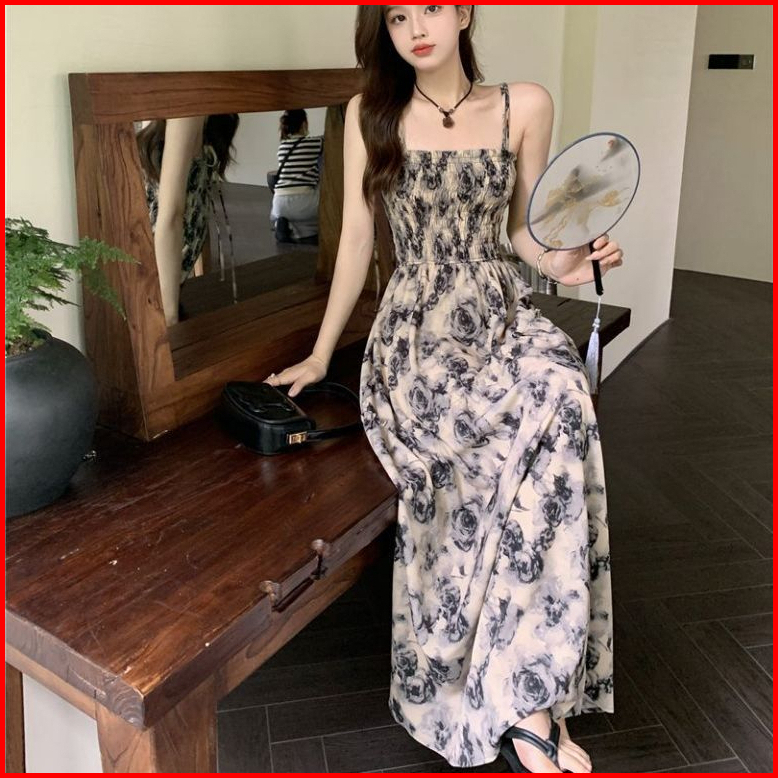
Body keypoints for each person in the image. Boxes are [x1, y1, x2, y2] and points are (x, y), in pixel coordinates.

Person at [266, 5, 625, 772]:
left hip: (500, 313)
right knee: (484, 455)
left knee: (564, 397)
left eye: (431, 7)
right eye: (397, 16)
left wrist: (569, 262)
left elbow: (527, 234)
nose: (415, 29)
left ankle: (531, 690)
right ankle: (524, 707)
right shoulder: (371, 113)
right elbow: (357, 242)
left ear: (464, 11)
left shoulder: (525, 105)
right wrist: (321, 355)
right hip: (417, 333)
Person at [137, 114, 239, 325]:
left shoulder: (200, 117)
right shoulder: (187, 116)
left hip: (160, 276)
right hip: (152, 281)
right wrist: (169, 317)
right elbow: (170, 216)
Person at [269, 109, 324, 244]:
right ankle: (308, 230)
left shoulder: (282, 147)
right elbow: (331, 137)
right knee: (321, 183)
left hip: (279, 205)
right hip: (305, 203)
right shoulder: (315, 143)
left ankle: (284, 225)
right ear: (304, 124)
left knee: (295, 214)